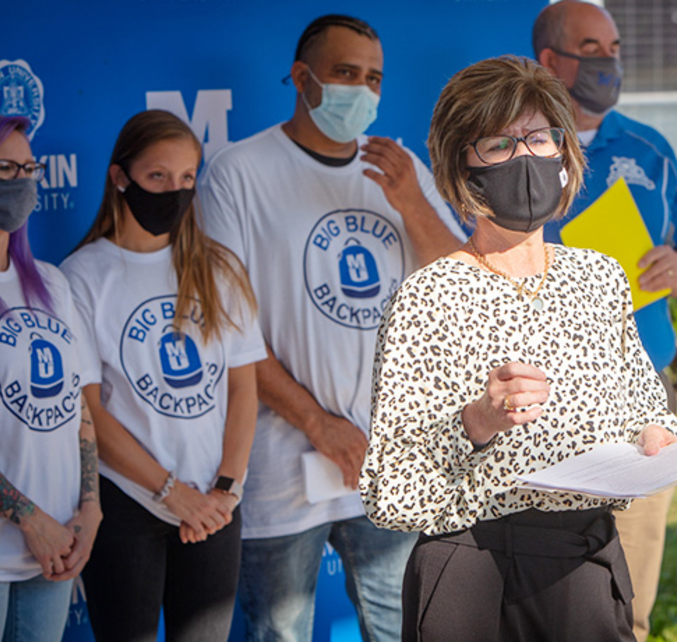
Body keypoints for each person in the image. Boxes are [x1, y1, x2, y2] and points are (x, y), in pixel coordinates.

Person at [360, 54, 677, 642]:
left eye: (539, 137)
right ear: (463, 164)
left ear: (565, 153)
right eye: (499, 144)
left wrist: (656, 439)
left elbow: (648, 409)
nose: (526, 158)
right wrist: (476, 421)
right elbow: (390, 492)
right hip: (474, 575)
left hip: (585, 564)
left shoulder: (599, 277)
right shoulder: (427, 296)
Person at [197, 14, 464, 642]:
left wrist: (413, 202)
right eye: (345, 73)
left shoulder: (402, 172)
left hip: (388, 456)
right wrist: (320, 424)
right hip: (282, 460)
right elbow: (229, 331)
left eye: (373, 78)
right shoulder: (238, 172)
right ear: (301, 77)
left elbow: (458, 284)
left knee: (402, 626)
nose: (361, 91)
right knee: (279, 630)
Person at [533, 2, 677, 639]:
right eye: (592, 47)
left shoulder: (649, 148)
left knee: (627, 596)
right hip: (540, 396)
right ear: (551, 62)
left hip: (642, 395)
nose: (610, 61)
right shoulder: (516, 149)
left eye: (614, 47)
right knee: (544, 592)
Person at [60, 110, 265, 642]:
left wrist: (224, 488)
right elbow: (88, 409)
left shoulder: (219, 268)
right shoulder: (80, 276)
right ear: (120, 177)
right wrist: (171, 493)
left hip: (215, 505)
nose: (175, 191)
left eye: (187, 178)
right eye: (158, 177)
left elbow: (243, 388)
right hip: (127, 503)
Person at [0, 112, 100, 642]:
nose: (22, 182)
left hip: (56, 549)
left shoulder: (53, 284)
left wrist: (90, 507)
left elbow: (76, 406)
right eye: (5, 168)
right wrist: (31, 521)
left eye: (30, 169)